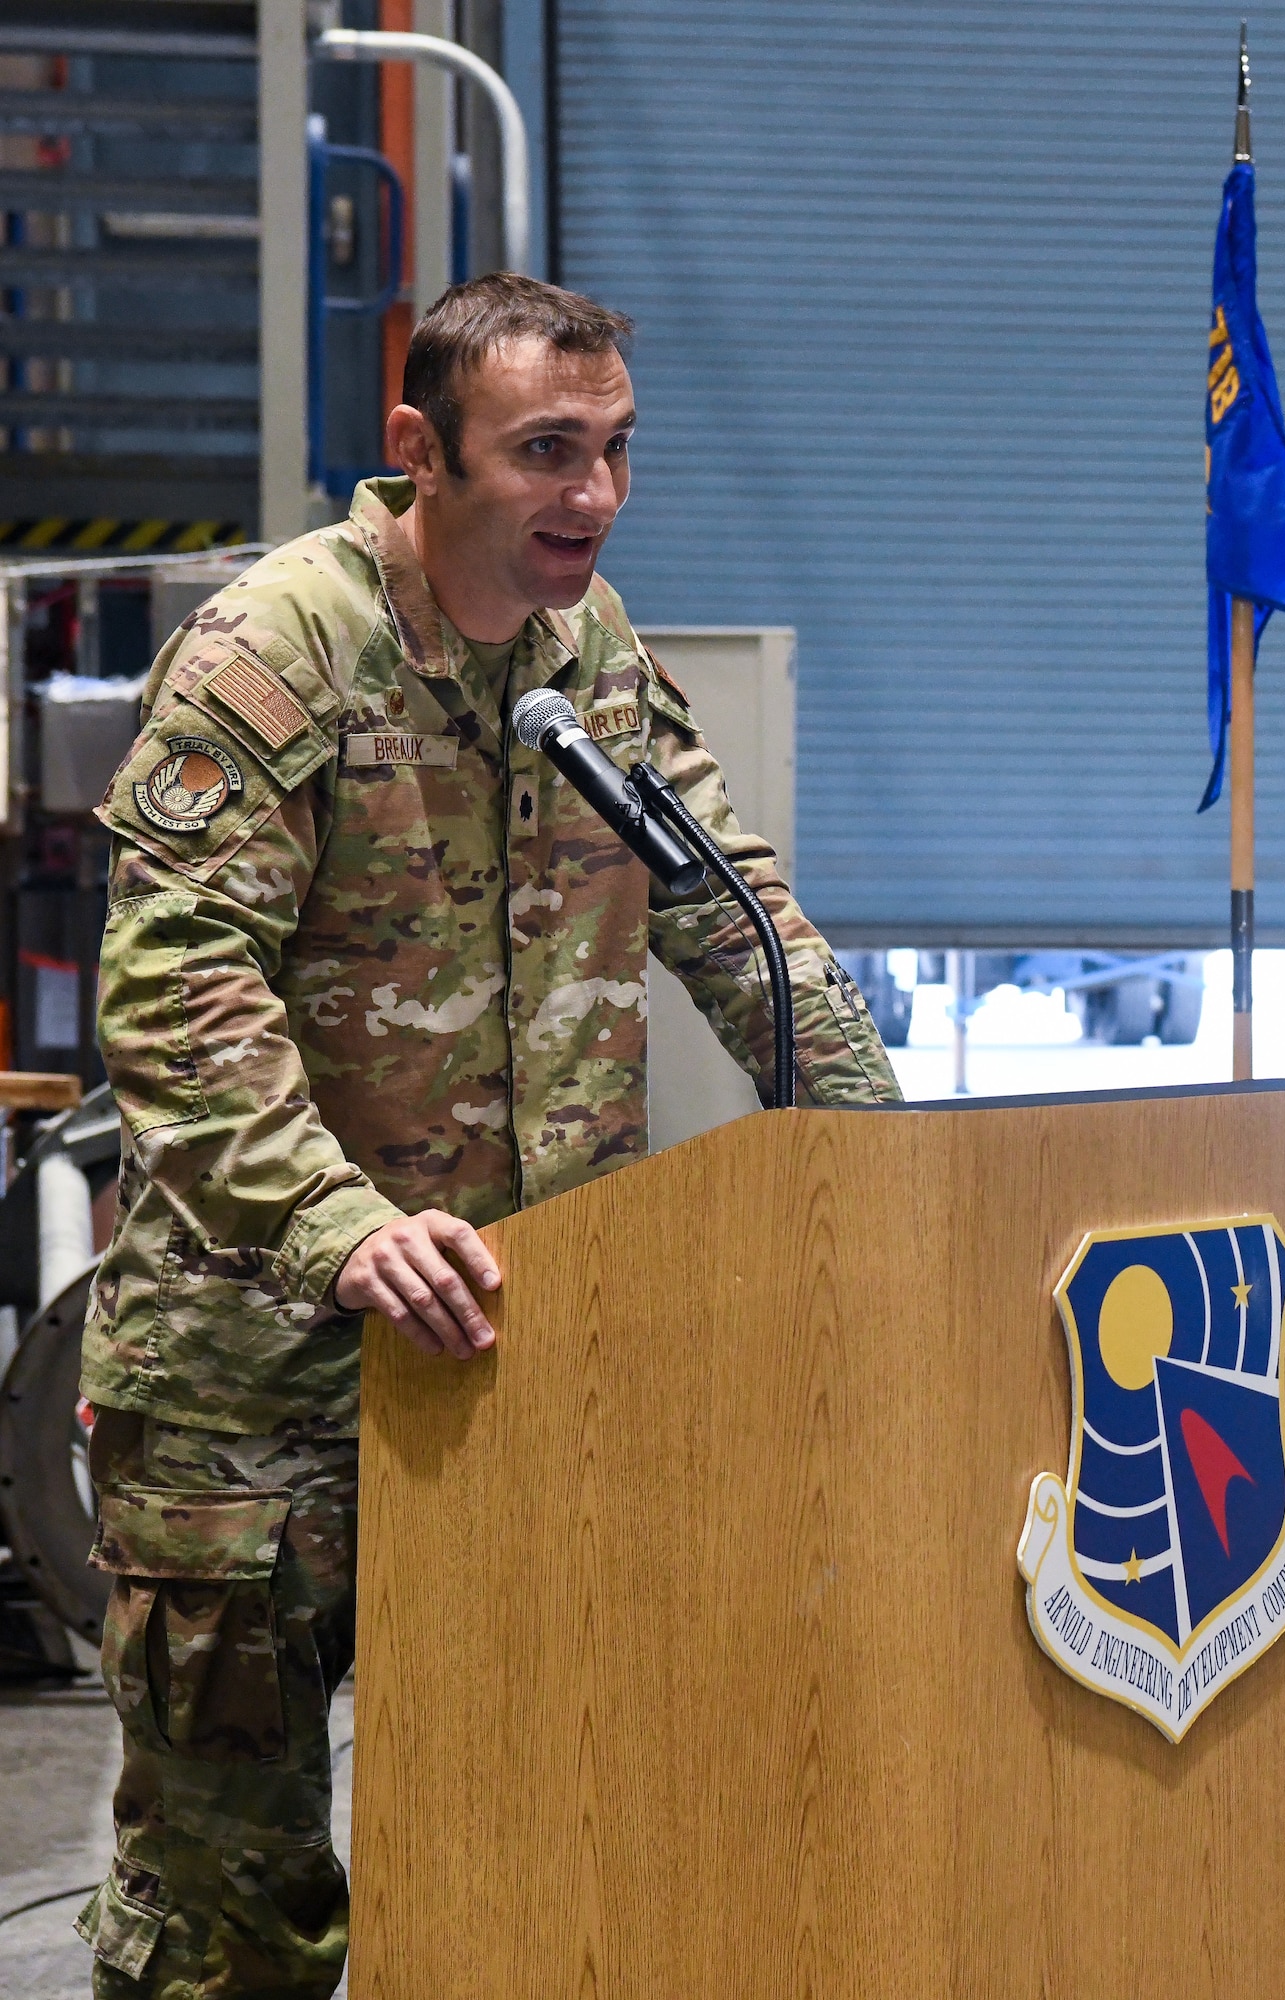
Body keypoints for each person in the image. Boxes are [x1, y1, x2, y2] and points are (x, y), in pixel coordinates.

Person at [74, 273, 901, 1998]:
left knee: (541, 1854)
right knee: (234, 1918)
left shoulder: (590, 659)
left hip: (522, 1360)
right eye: (543, 450)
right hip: (258, 1391)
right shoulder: (277, 649)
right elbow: (172, 985)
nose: (589, 495)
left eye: (612, 451)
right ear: (418, 450)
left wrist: (894, 1174)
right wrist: (335, 1221)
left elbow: (737, 916)